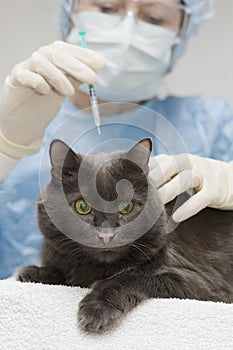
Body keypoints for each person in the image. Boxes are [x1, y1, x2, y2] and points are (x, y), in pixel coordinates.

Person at [0, 0, 233, 279]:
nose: (128, 27)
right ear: (71, 15)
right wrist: (5, 145)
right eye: (108, 8)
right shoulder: (17, 117)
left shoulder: (214, 126)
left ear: (179, 36)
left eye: (154, 17)